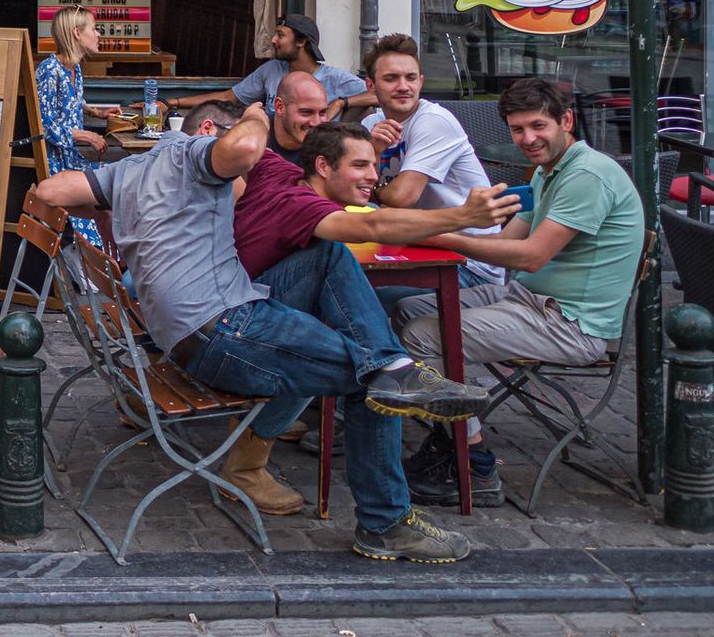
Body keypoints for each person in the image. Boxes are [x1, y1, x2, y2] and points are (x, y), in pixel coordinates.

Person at [36, 101, 488, 562]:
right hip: (221, 331)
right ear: (210, 133)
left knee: (326, 256)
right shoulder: (191, 155)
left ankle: (393, 363)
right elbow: (252, 150)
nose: (243, 171)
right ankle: (385, 522)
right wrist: (256, 116)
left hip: (197, 326)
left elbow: (51, 190)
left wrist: (110, 208)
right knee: (375, 383)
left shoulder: (134, 167)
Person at [224, 123, 521, 514]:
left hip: (231, 307)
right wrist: (463, 215)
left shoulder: (279, 170)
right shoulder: (303, 204)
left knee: (344, 348)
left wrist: (255, 116)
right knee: (338, 337)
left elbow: (249, 141)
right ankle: (250, 466)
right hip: (237, 328)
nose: (373, 176)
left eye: (375, 165)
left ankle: (387, 369)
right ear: (323, 166)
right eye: (360, 165)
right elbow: (373, 225)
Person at [395, 77, 642, 507]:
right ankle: (449, 432)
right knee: (407, 309)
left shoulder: (586, 174)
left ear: (566, 121)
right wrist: (442, 225)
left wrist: (440, 237)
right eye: (517, 129)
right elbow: (506, 240)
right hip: (527, 298)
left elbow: (529, 256)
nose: (527, 139)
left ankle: (472, 461)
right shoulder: (548, 170)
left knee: (422, 335)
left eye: (537, 126)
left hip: (569, 323)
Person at [360, 34, 504, 299]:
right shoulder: (371, 126)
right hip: (416, 246)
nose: (403, 86)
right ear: (371, 85)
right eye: (391, 78)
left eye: (411, 78)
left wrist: (375, 188)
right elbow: (351, 194)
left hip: (469, 263)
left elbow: (402, 197)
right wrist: (375, 152)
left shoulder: (434, 121)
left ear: (421, 82)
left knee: (362, 293)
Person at [169, 14, 372, 120]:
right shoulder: (272, 69)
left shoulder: (334, 78)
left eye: (281, 35)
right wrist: (174, 102)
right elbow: (228, 97)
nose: (273, 40)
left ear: (301, 41)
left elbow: (380, 94)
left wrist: (341, 103)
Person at [35, 5, 111, 250]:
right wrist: (85, 135)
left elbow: (73, 100)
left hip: (72, 159)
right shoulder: (49, 70)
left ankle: (113, 252)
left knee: (118, 180)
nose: (98, 34)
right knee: (112, 184)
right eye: (94, 28)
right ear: (77, 33)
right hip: (57, 165)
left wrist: (96, 112)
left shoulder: (74, 68)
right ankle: (99, 255)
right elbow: (44, 125)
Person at [267, 70, 333, 164]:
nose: (316, 123)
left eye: (322, 112)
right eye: (306, 112)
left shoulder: (331, 147)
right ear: (280, 107)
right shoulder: (254, 138)